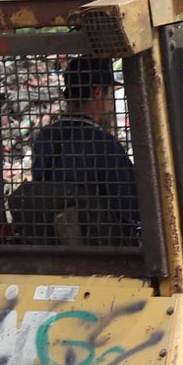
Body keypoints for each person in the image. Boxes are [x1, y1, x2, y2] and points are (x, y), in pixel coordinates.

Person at [29, 57, 141, 240]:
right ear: (98, 91)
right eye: (110, 92)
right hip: (100, 246)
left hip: (52, 243)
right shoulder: (105, 144)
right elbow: (130, 207)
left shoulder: (45, 136)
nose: (111, 100)